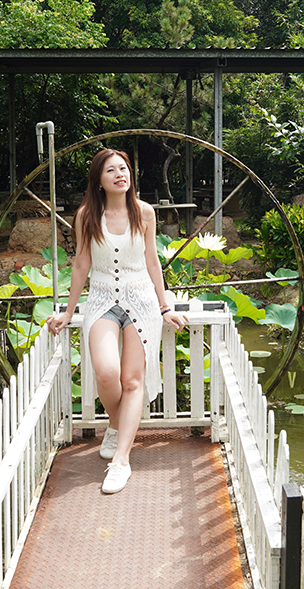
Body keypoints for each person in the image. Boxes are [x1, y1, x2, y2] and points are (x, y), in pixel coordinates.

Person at [45, 148, 189, 494]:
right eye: (111, 170)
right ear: (99, 180)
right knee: (107, 373)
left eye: (123, 168)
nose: (120, 175)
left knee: (132, 380)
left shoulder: (145, 212)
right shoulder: (86, 216)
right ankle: (115, 423)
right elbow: (81, 264)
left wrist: (165, 307)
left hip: (141, 299)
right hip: (101, 299)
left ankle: (121, 461)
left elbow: (152, 261)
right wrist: (68, 311)